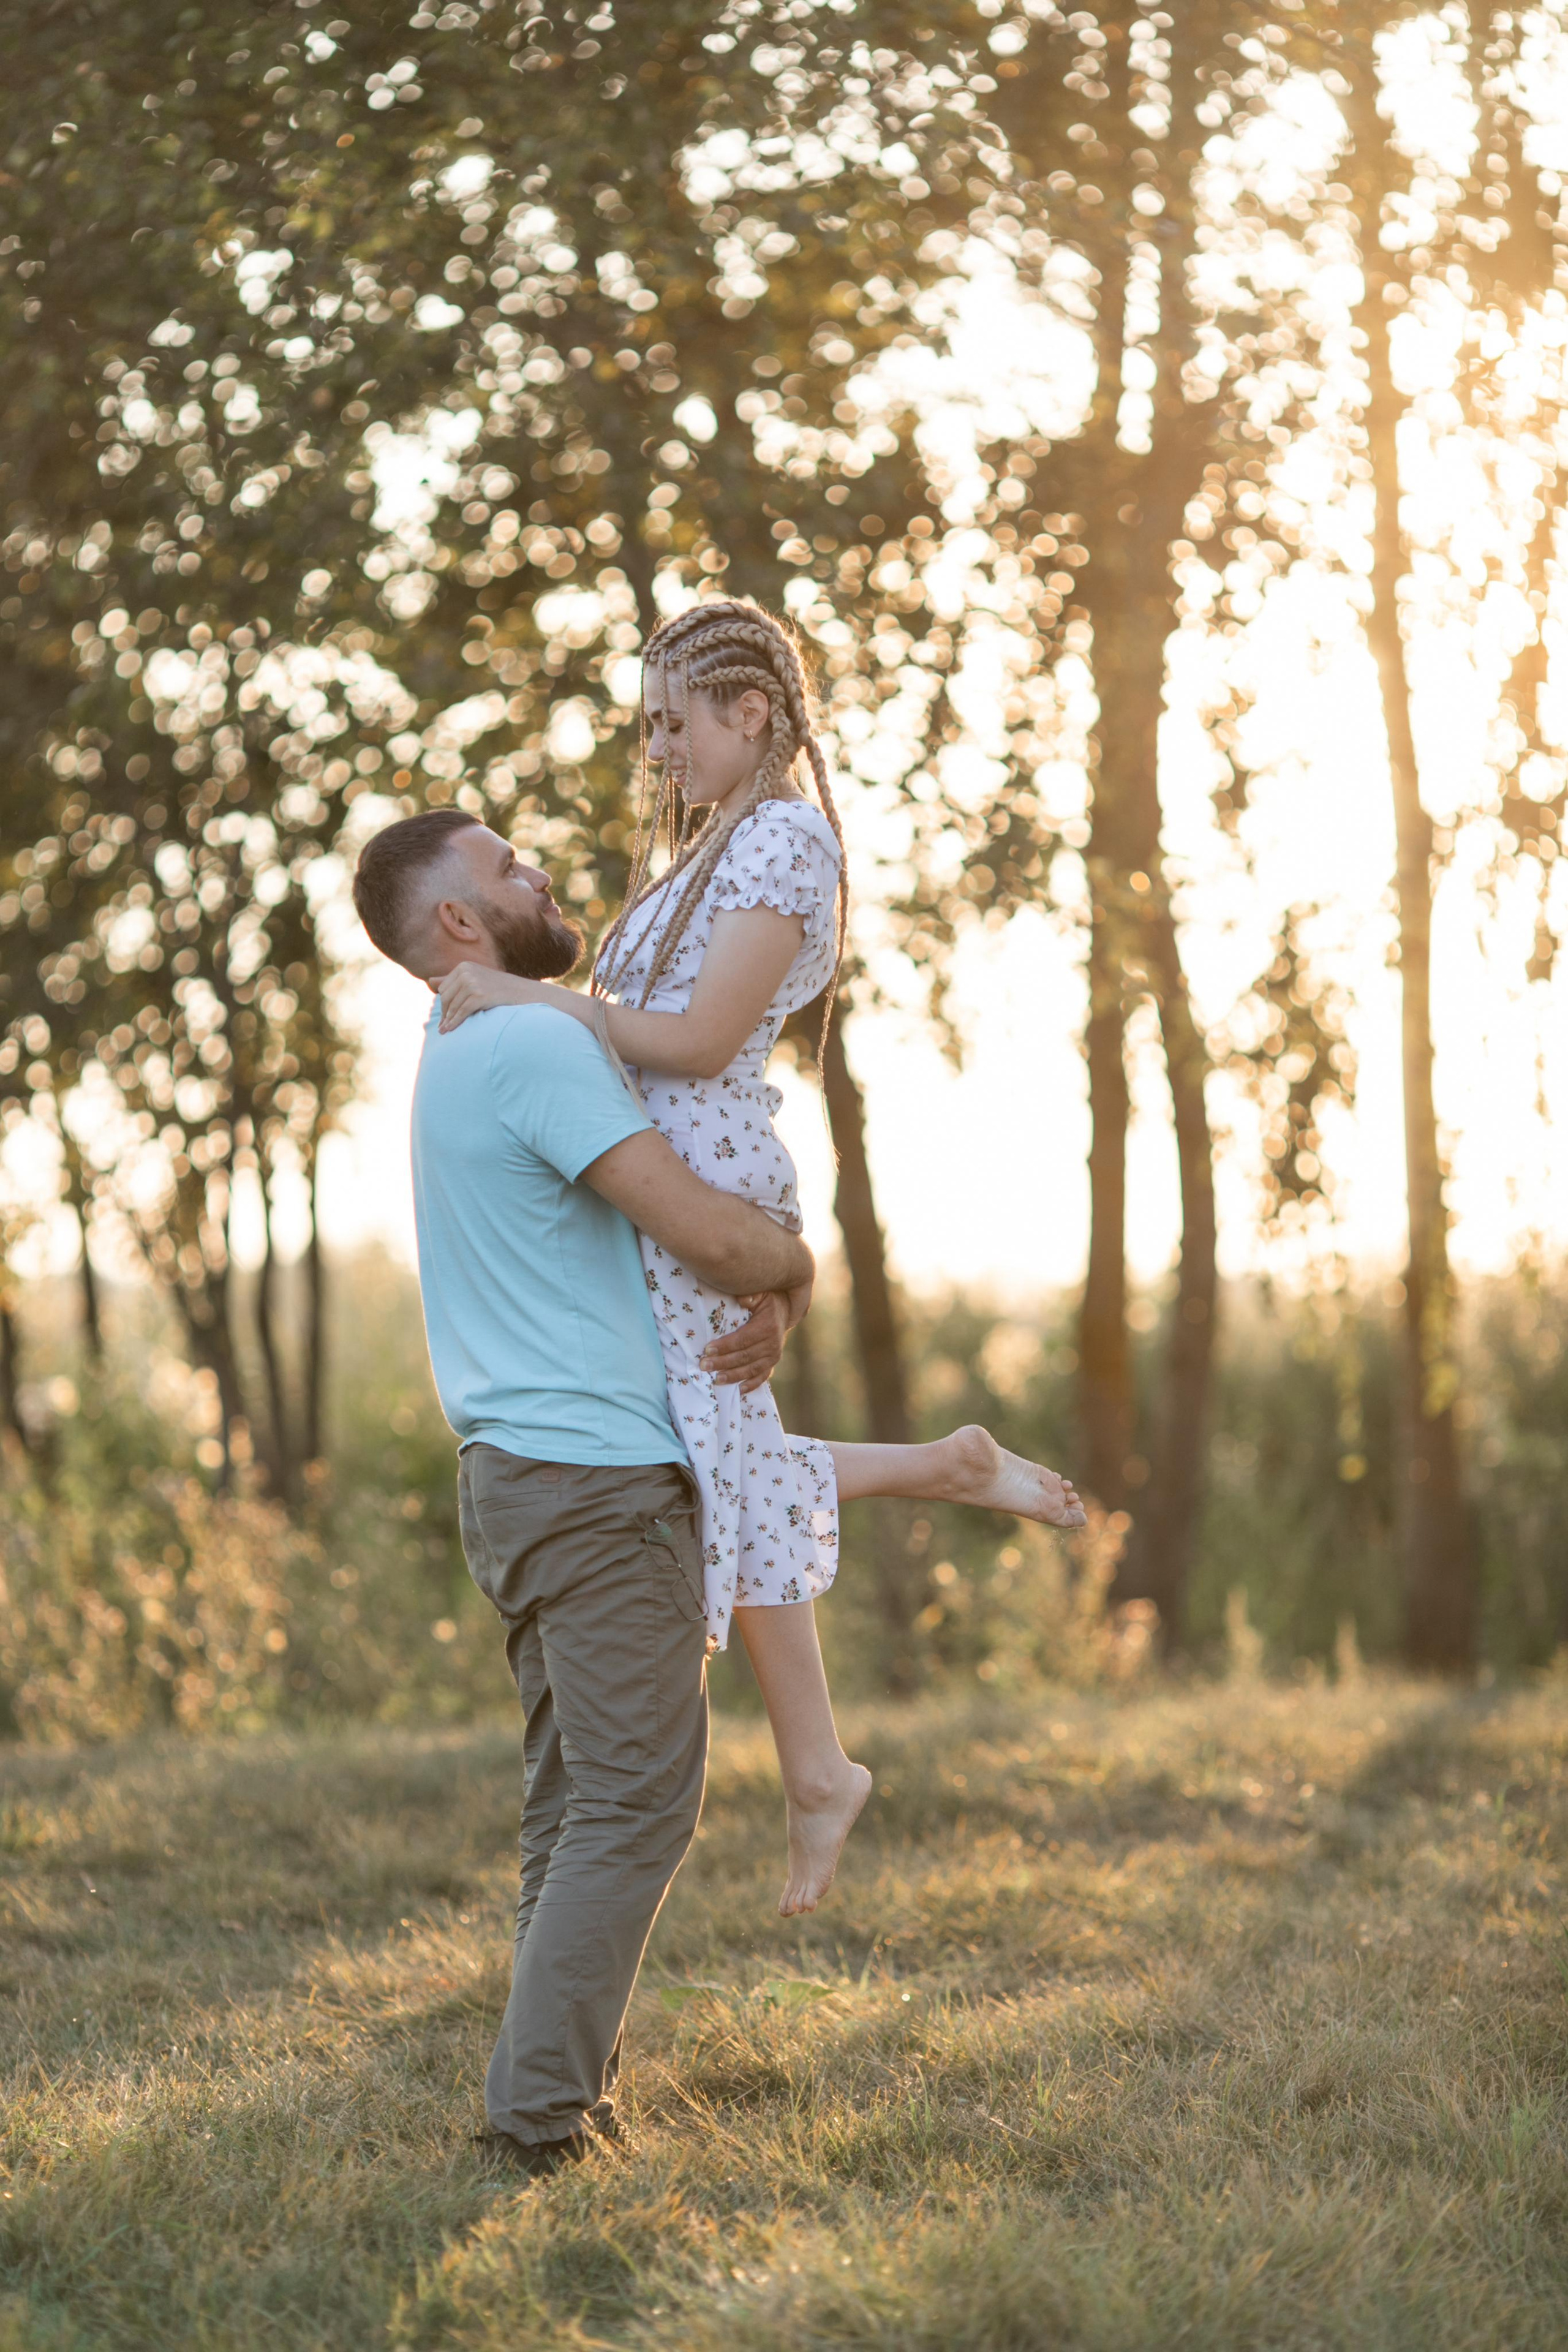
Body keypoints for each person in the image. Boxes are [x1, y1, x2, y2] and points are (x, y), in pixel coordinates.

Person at [435, 598, 1085, 1921]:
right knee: (707, 1443)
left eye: (673, 723)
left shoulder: (785, 838)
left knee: (695, 1449)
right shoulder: (704, 847)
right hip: (655, 1174)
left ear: (749, 715)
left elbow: (689, 1038)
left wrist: (521, 997)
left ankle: (820, 1757)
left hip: (709, 1174)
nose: (654, 749)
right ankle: (828, 1736)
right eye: (647, 726)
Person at [351, 805, 810, 2179]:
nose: (533, 872)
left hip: (514, 1475)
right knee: (631, 1807)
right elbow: (702, 1227)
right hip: (596, 1484)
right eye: (504, 867)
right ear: (455, 922)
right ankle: (537, 2120)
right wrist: (794, 1269)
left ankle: (564, 2090)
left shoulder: (461, 1049)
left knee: (574, 1804)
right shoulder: (538, 1041)